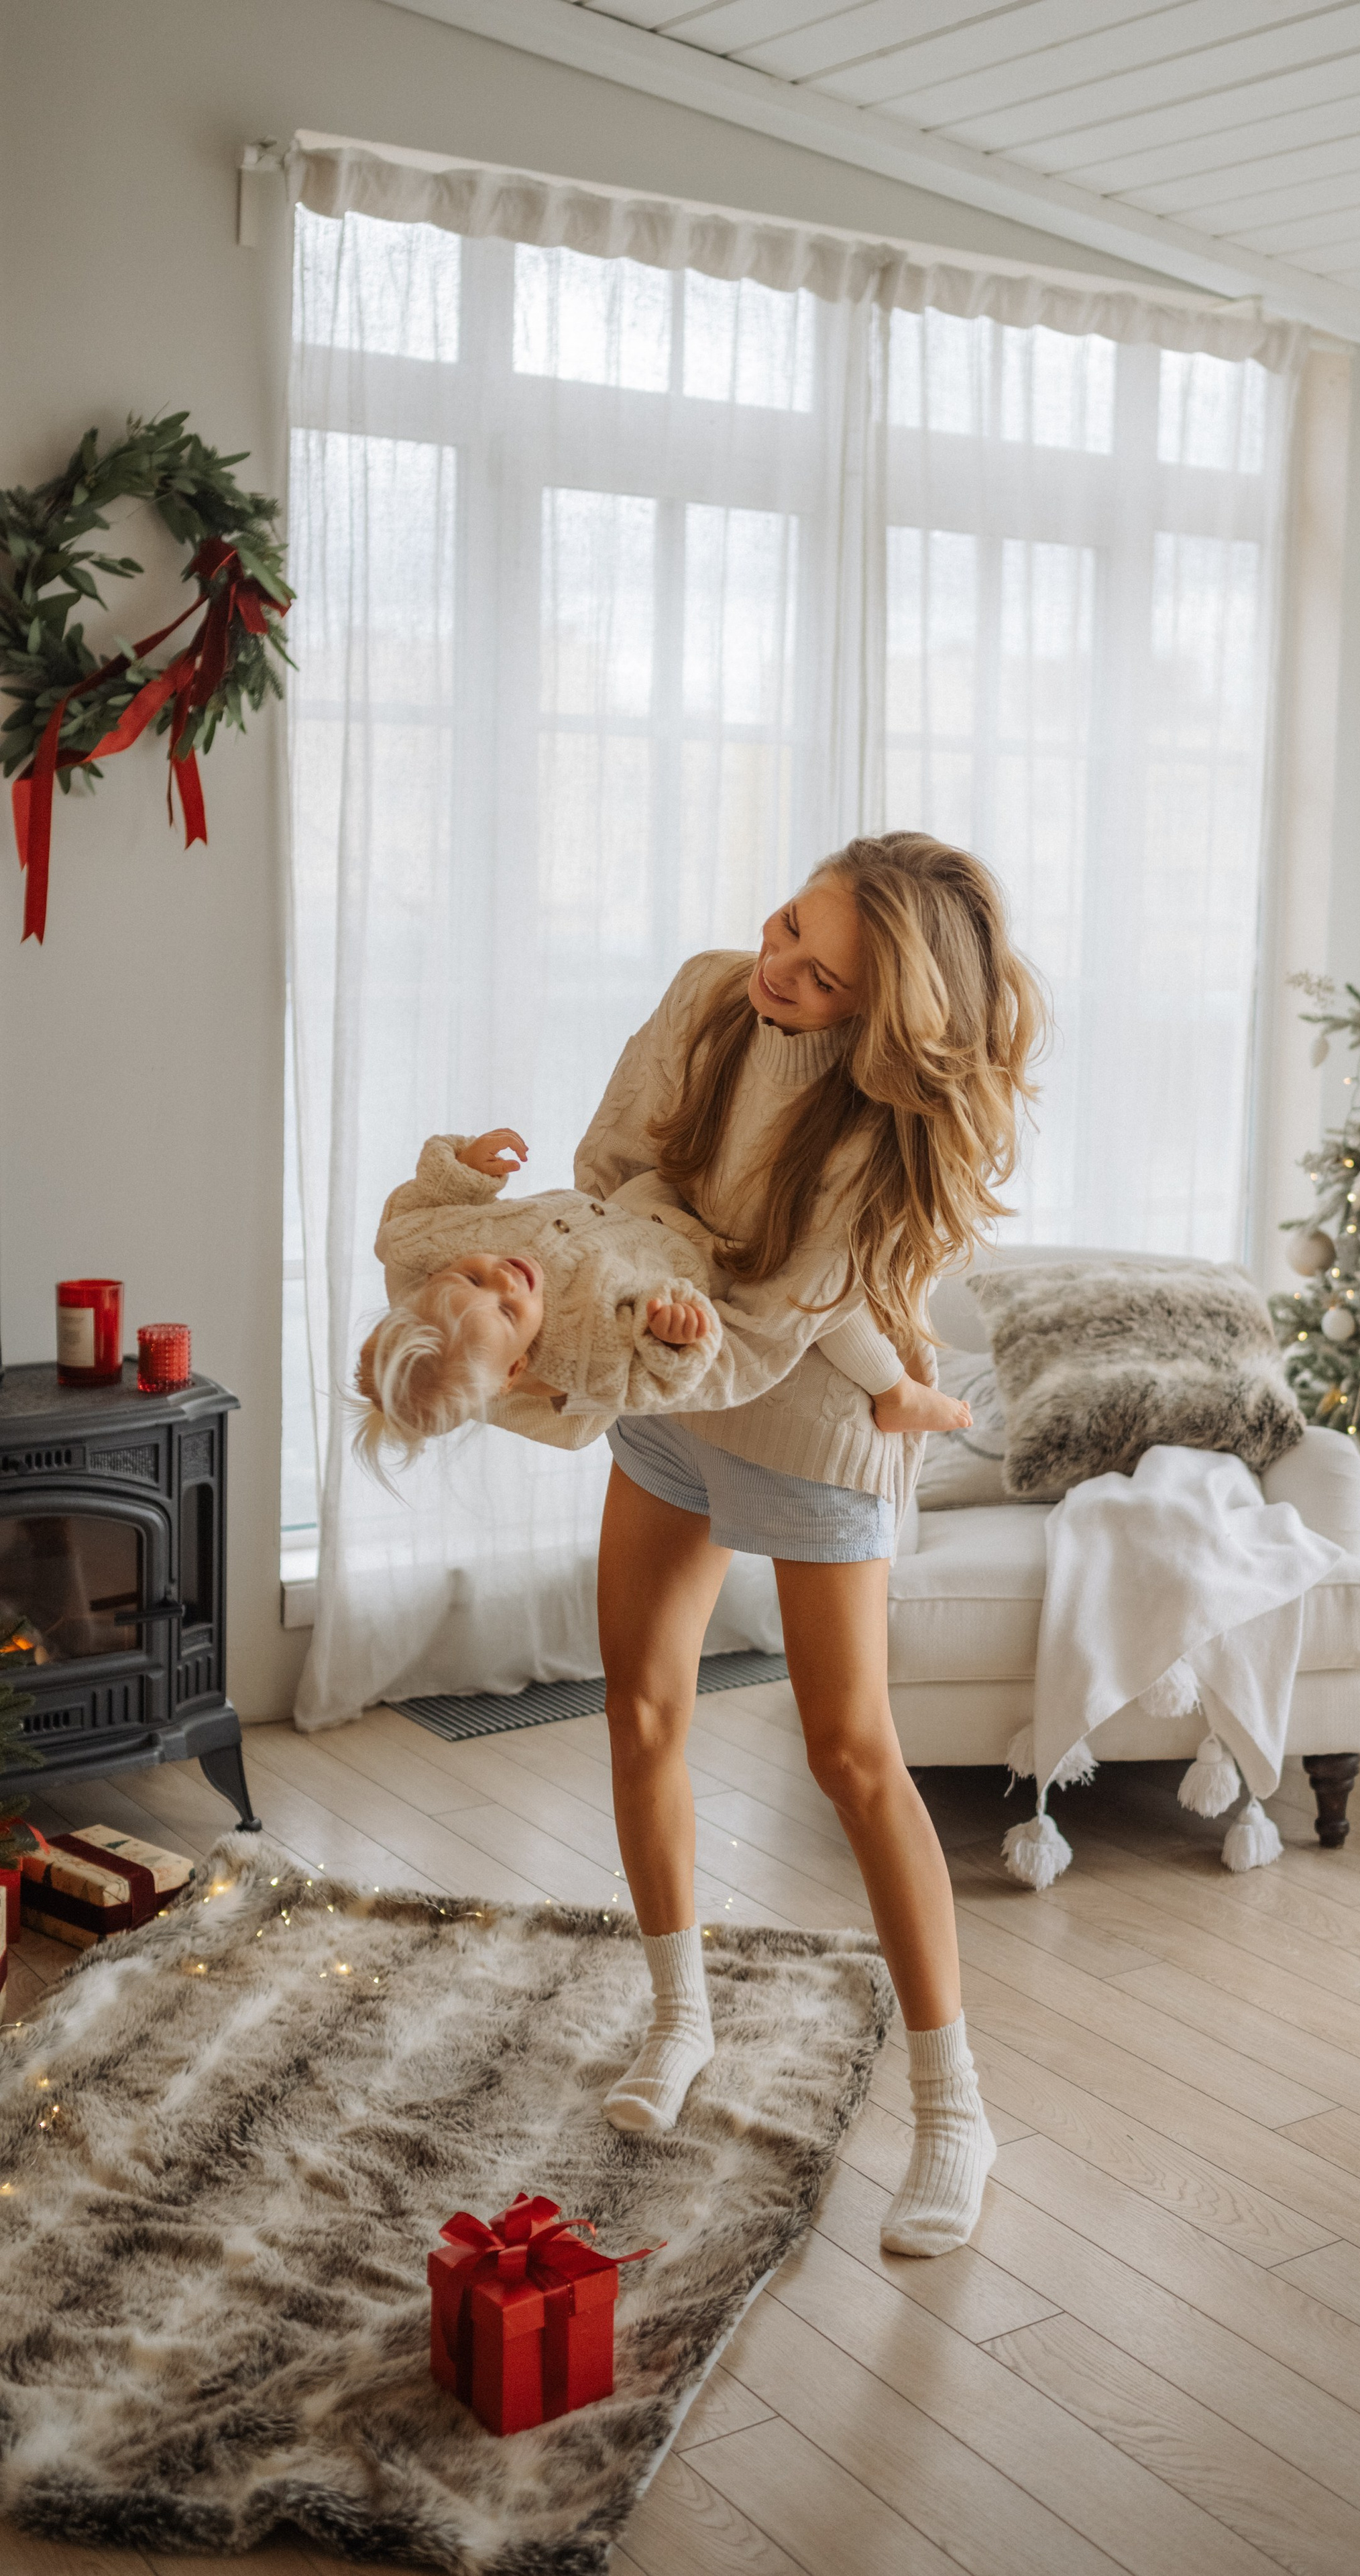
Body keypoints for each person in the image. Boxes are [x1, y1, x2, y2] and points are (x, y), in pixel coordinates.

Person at [580, 832, 1043, 2258]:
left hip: (809, 1415)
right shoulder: (711, 998)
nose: (774, 963)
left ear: (876, 1011)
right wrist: (652, 1291)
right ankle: (679, 2018)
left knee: (849, 1756)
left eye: (818, 970)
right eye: (786, 923)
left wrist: (685, 1289)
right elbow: (610, 1167)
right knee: (643, 1702)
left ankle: (951, 2108)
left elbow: (776, 1309)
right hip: (671, 1379)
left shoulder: (874, 1128)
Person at [353, 1133, 968, 1469]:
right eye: (509, 1311)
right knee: (816, 1298)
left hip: (634, 1213)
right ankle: (897, 1393)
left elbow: (419, 1213)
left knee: (686, 1149)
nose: (506, 1279)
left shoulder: (424, 1268)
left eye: (472, 1276)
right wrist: (675, 1335)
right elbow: (655, 1381)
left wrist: (465, 1168)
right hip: (696, 1264)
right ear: (518, 1366)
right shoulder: (577, 1360)